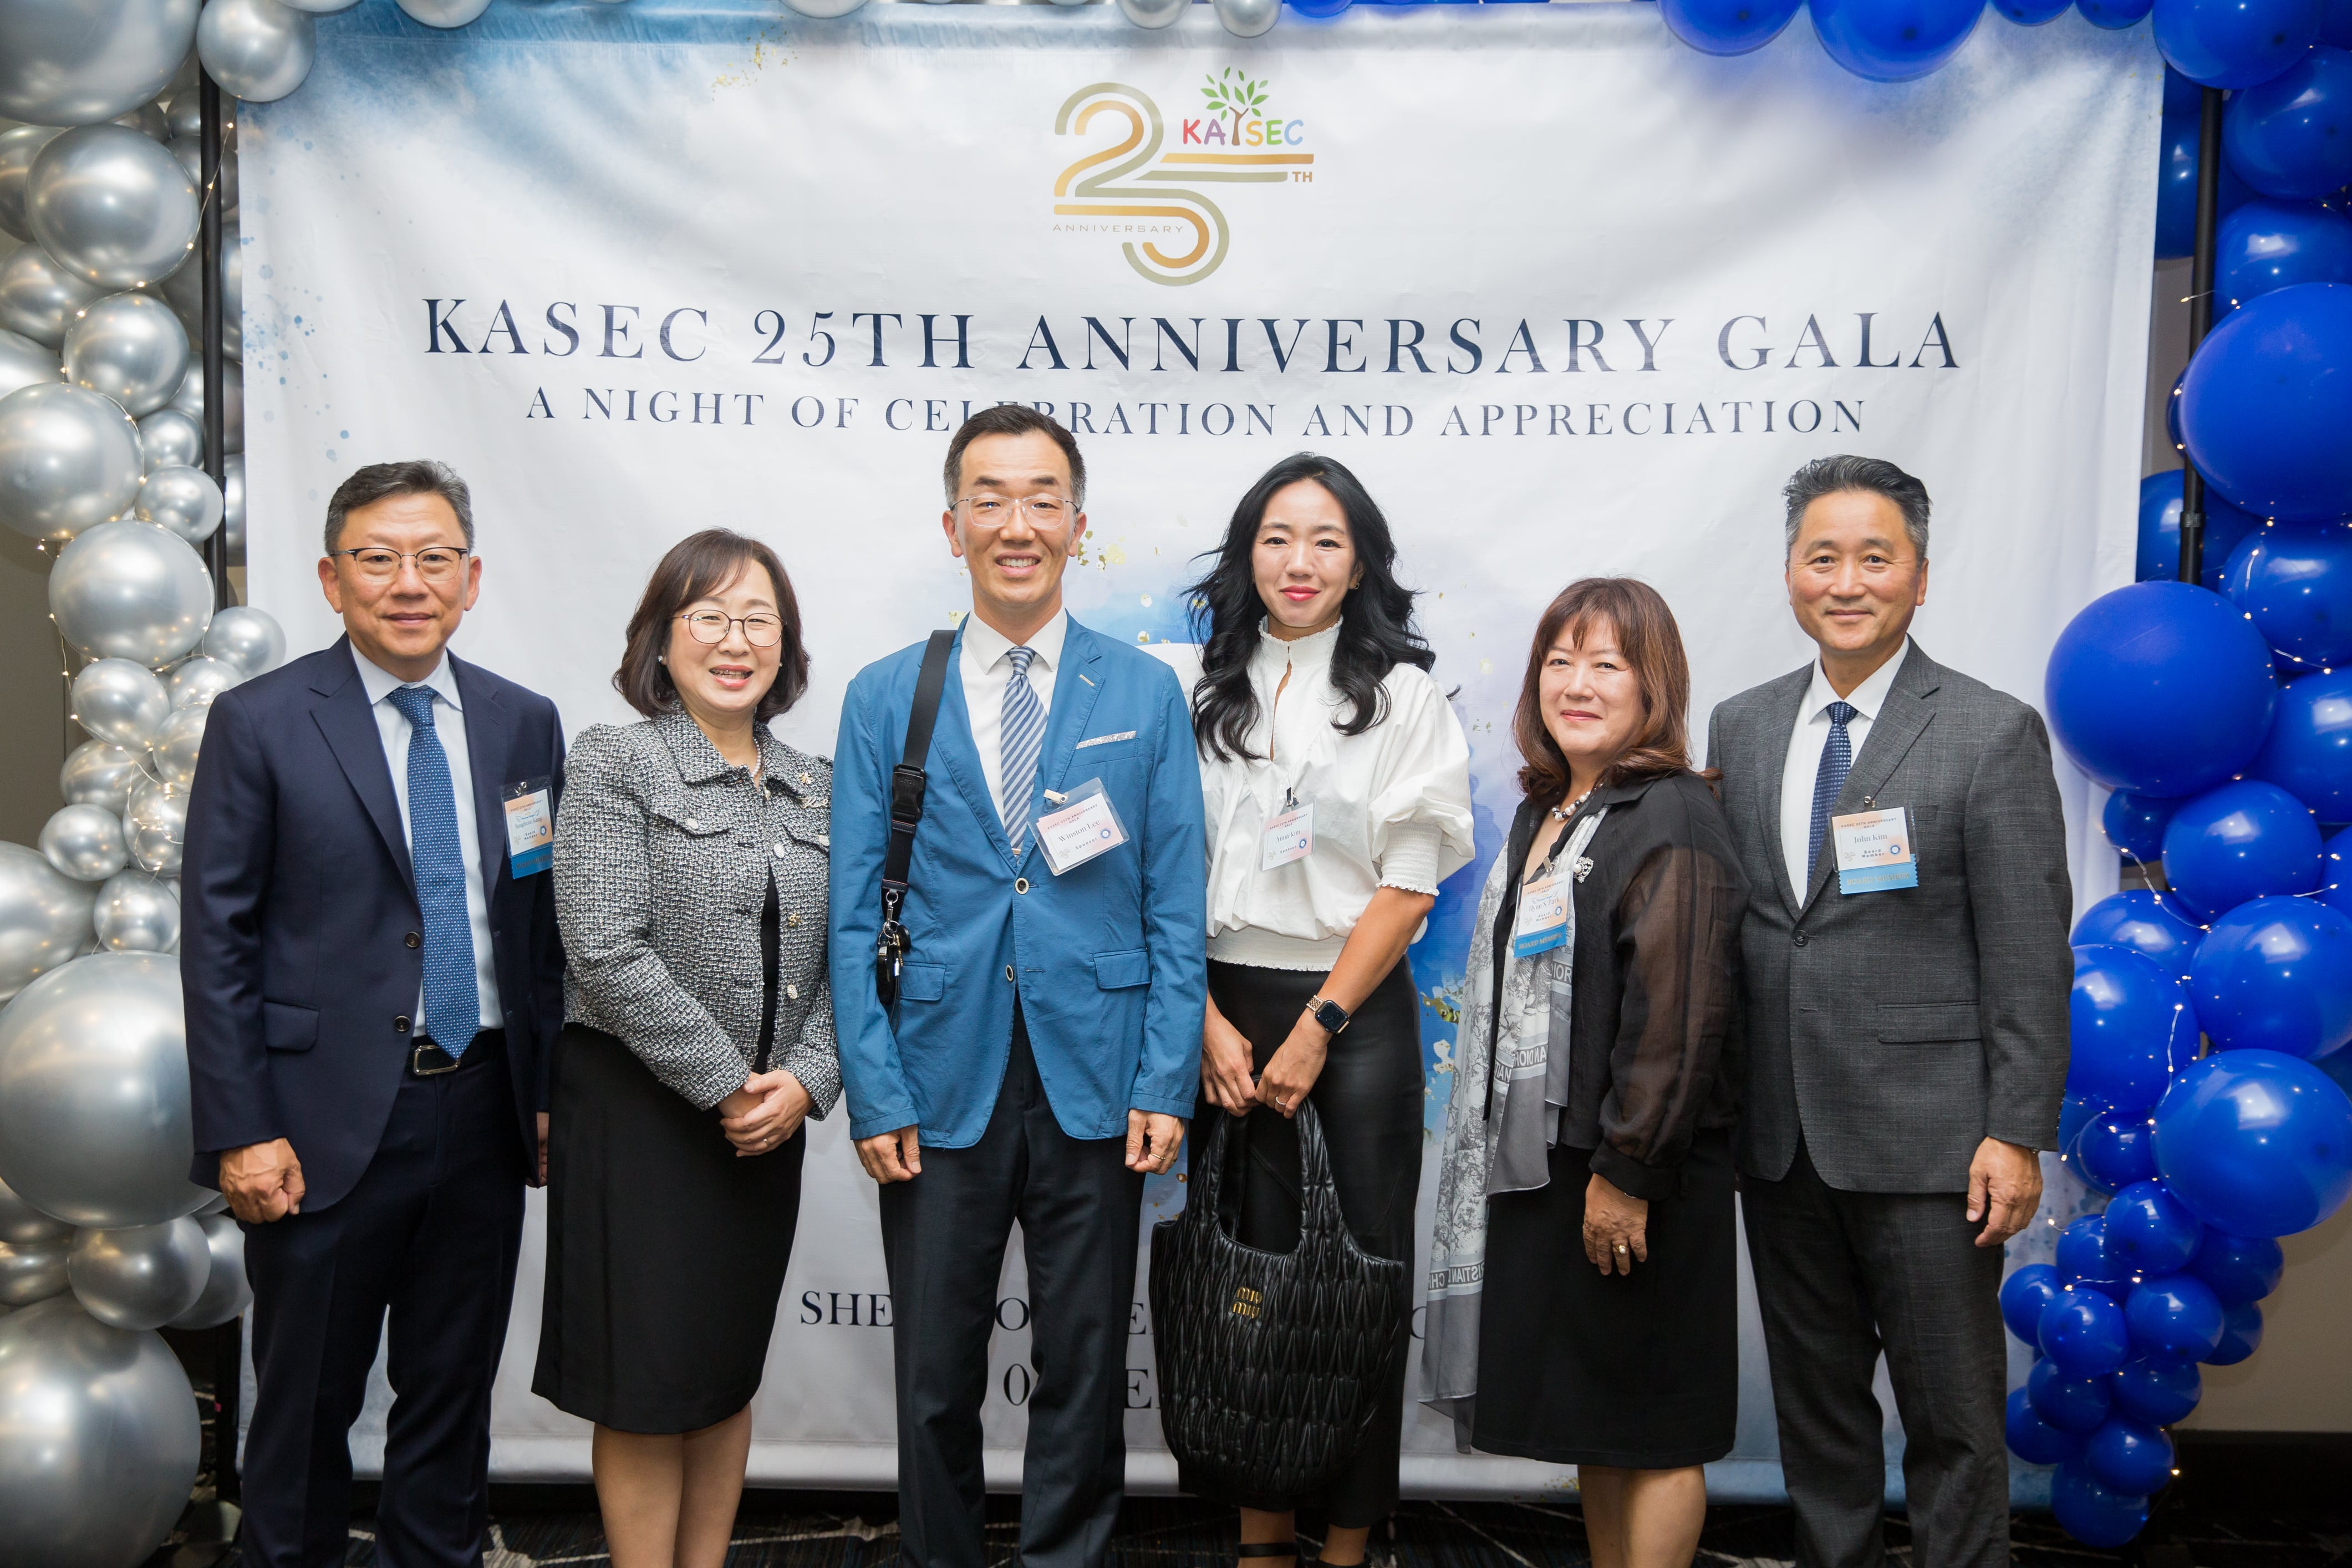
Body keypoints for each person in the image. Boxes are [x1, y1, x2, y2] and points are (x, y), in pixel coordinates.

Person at [828, 405, 1208, 1568]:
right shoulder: (886, 694)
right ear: (953, 526)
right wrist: (875, 1091)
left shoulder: (1142, 692)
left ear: (1077, 525)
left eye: (1042, 499)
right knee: (933, 1375)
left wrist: (1166, 1080)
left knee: (1084, 1369)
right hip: (938, 1074)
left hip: (1097, 1071)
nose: (1016, 524)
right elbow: (853, 915)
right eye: (988, 499)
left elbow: (1175, 903)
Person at [181, 460, 567, 1568]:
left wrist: (544, 1095)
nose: (409, 583)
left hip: (483, 1111)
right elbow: (216, 939)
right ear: (331, 578)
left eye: (434, 558)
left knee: (451, 1398)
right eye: (379, 559)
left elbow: (536, 928)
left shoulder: (522, 722)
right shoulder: (261, 721)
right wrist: (243, 1128)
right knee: (305, 1405)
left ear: (471, 578)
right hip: (317, 1123)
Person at [1704, 456, 2070, 1568]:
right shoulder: (1742, 726)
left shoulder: (1988, 730)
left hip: (1933, 1143)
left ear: (1919, 576)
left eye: (1876, 557)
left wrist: (2015, 1130)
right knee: (1818, 1417)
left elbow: (2026, 950)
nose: (1847, 581)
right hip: (1780, 1136)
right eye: (1823, 557)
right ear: (1790, 574)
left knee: (1951, 1420)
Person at [1154, 453, 1472, 1566]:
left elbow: (1410, 883)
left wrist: (1318, 1027)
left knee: (1356, 1286)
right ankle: (1259, 1542)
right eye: (1278, 537)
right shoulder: (1195, 686)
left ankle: (1344, 1544)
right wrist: (1199, 1018)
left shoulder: (1403, 695)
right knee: (1246, 1277)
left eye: (1327, 540)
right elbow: (1157, 871)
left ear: (1360, 564)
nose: (1300, 560)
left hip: (1355, 1013)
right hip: (1219, 1008)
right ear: (1248, 553)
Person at [1424, 577, 1747, 1568]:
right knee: (1599, 1423)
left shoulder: (1672, 814)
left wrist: (1627, 1173)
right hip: (1558, 1163)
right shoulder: (1551, 811)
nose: (1577, 683)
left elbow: (1678, 1018)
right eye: (1559, 661)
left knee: (1653, 1427)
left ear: (1653, 684)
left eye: (1606, 664)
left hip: (1638, 1170)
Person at [534, 530, 839, 1568]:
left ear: (785, 645)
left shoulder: (818, 783)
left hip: (767, 1125)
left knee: (720, 1373)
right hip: (640, 1115)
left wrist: (804, 1083)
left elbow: (855, 961)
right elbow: (602, 946)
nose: (734, 640)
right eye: (708, 616)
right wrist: (725, 1086)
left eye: (758, 619)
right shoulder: (614, 760)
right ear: (661, 639)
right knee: (644, 1383)